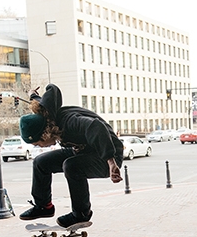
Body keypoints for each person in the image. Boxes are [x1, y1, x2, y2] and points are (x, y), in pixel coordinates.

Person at [18, 84, 124, 227]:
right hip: (82, 150)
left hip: (107, 155)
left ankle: (81, 214)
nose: (38, 146)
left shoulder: (70, 122)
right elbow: (41, 101)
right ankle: (44, 207)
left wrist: (111, 162)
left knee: (72, 166)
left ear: (45, 133)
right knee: (40, 162)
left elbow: (96, 126)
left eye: (37, 143)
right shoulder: (47, 116)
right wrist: (32, 94)